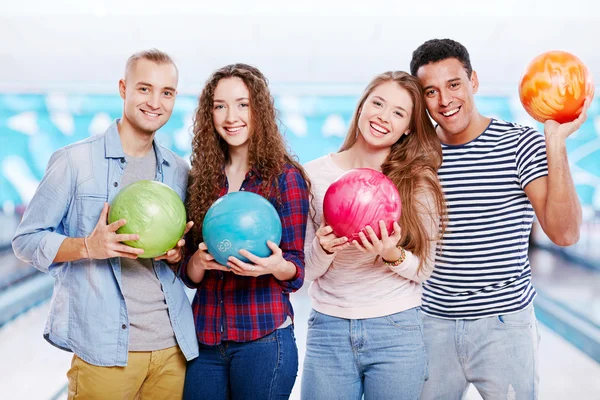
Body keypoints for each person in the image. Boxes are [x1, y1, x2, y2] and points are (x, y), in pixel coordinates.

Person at [11, 49, 199, 400]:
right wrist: (87, 246)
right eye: (144, 89)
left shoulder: (178, 171)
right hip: (105, 352)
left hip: (172, 348)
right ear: (123, 88)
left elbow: (180, 254)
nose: (155, 102)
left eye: (167, 92)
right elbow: (25, 240)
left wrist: (176, 254)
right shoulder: (75, 161)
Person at [410, 38, 589, 399]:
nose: (445, 101)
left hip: (504, 325)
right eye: (431, 91)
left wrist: (554, 144)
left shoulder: (520, 145)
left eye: (454, 84)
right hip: (431, 323)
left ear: (473, 81)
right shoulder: (417, 154)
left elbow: (565, 234)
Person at [300, 71, 446, 400]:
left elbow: (423, 270)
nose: (383, 116)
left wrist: (392, 253)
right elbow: (305, 272)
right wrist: (323, 248)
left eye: (398, 112)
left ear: (408, 126)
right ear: (361, 106)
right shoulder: (312, 176)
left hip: (396, 330)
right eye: (377, 103)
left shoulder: (416, 182)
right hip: (329, 329)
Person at [181, 63, 310, 400]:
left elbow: (295, 270)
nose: (230, 116)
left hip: (264, 340)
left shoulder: (285, 178)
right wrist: (197, 261)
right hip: (206, 340)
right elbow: (188, 273)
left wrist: (275, 266)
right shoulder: (202, 179)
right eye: (219, 106)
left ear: (260, 111)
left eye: (242, 104)